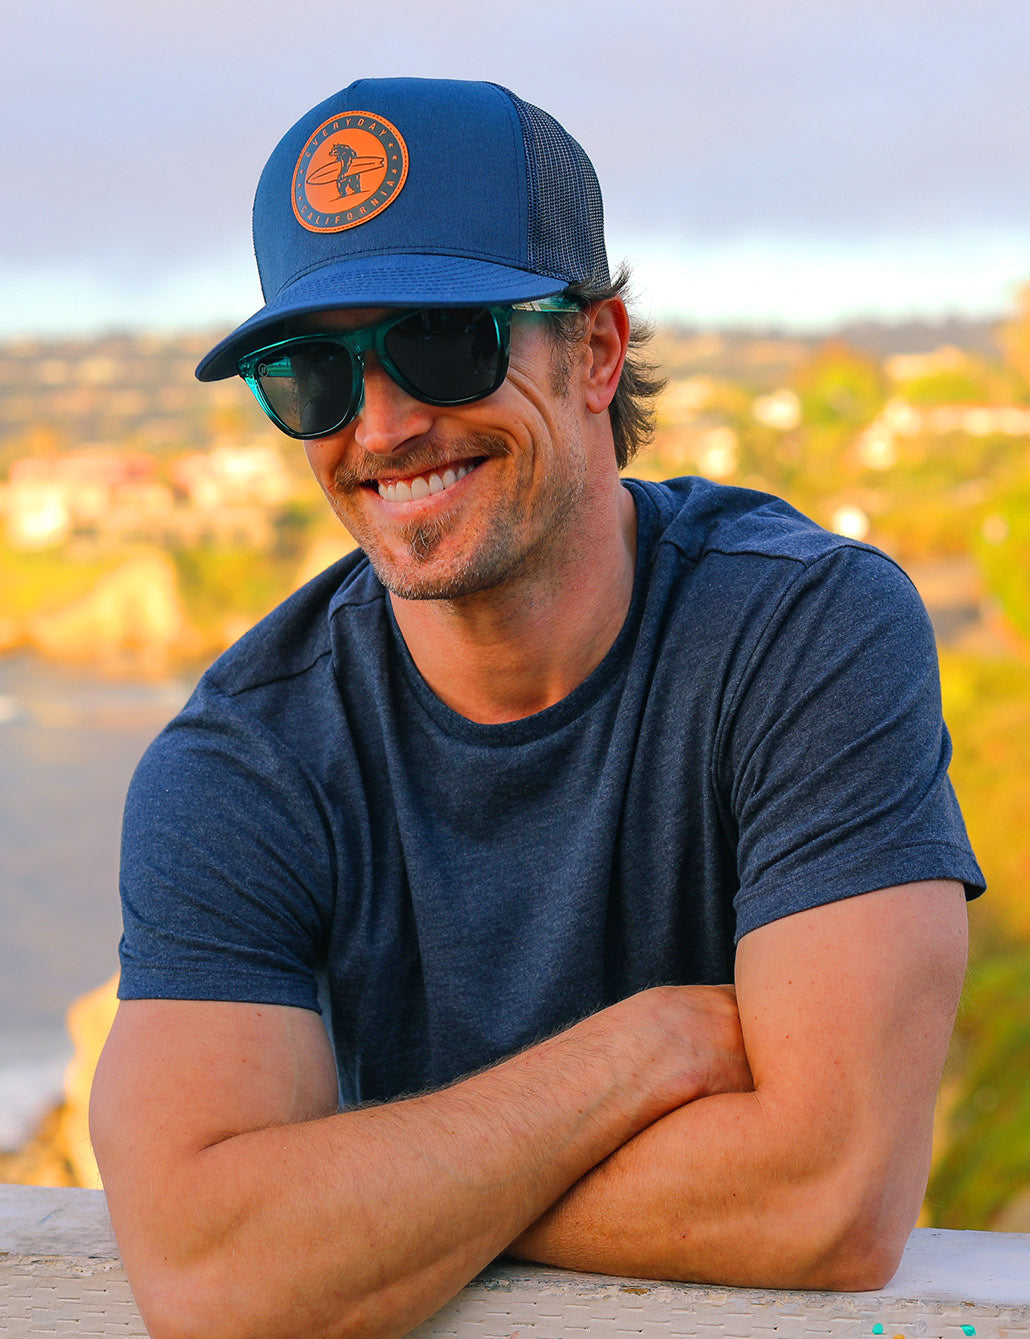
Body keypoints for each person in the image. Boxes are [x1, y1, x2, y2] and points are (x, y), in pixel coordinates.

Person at [90, 77, 984, 1339]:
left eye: (443, 343)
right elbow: (212, 1267)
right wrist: (649, 1050)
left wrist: (363, 1191)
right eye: (313, 376)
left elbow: (829, 1196)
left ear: (597, 350)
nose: (384, 424)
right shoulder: (245, 761)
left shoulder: (803, 634)